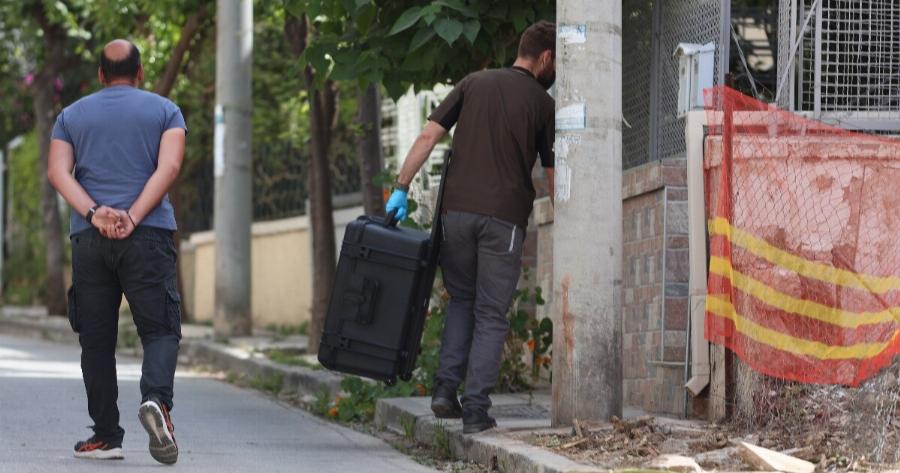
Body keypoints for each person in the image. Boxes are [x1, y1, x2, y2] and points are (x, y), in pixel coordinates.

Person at [386, 21, 556, 434]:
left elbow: (427, 137)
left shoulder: (473, 83)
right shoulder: (542, 103)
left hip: (456, 215)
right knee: (492, 313)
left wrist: (401, 188)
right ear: (546, 58)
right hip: (504, 220)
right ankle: (476, 409)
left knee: (462, 300)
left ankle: (446, 391)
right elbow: (553, 175)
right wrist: (566, 220)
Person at [47, 39, 186, 464]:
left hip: (90, 240)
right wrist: (133, 215)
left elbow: (57, 172)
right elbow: (169, 167)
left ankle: (106, 436)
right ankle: (156, 401)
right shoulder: (166, 111)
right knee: (159, 329)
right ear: (140, 72)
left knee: (96, 340)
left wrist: (95, 214)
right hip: (148, 235)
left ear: (101, 75)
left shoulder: (71, 116)